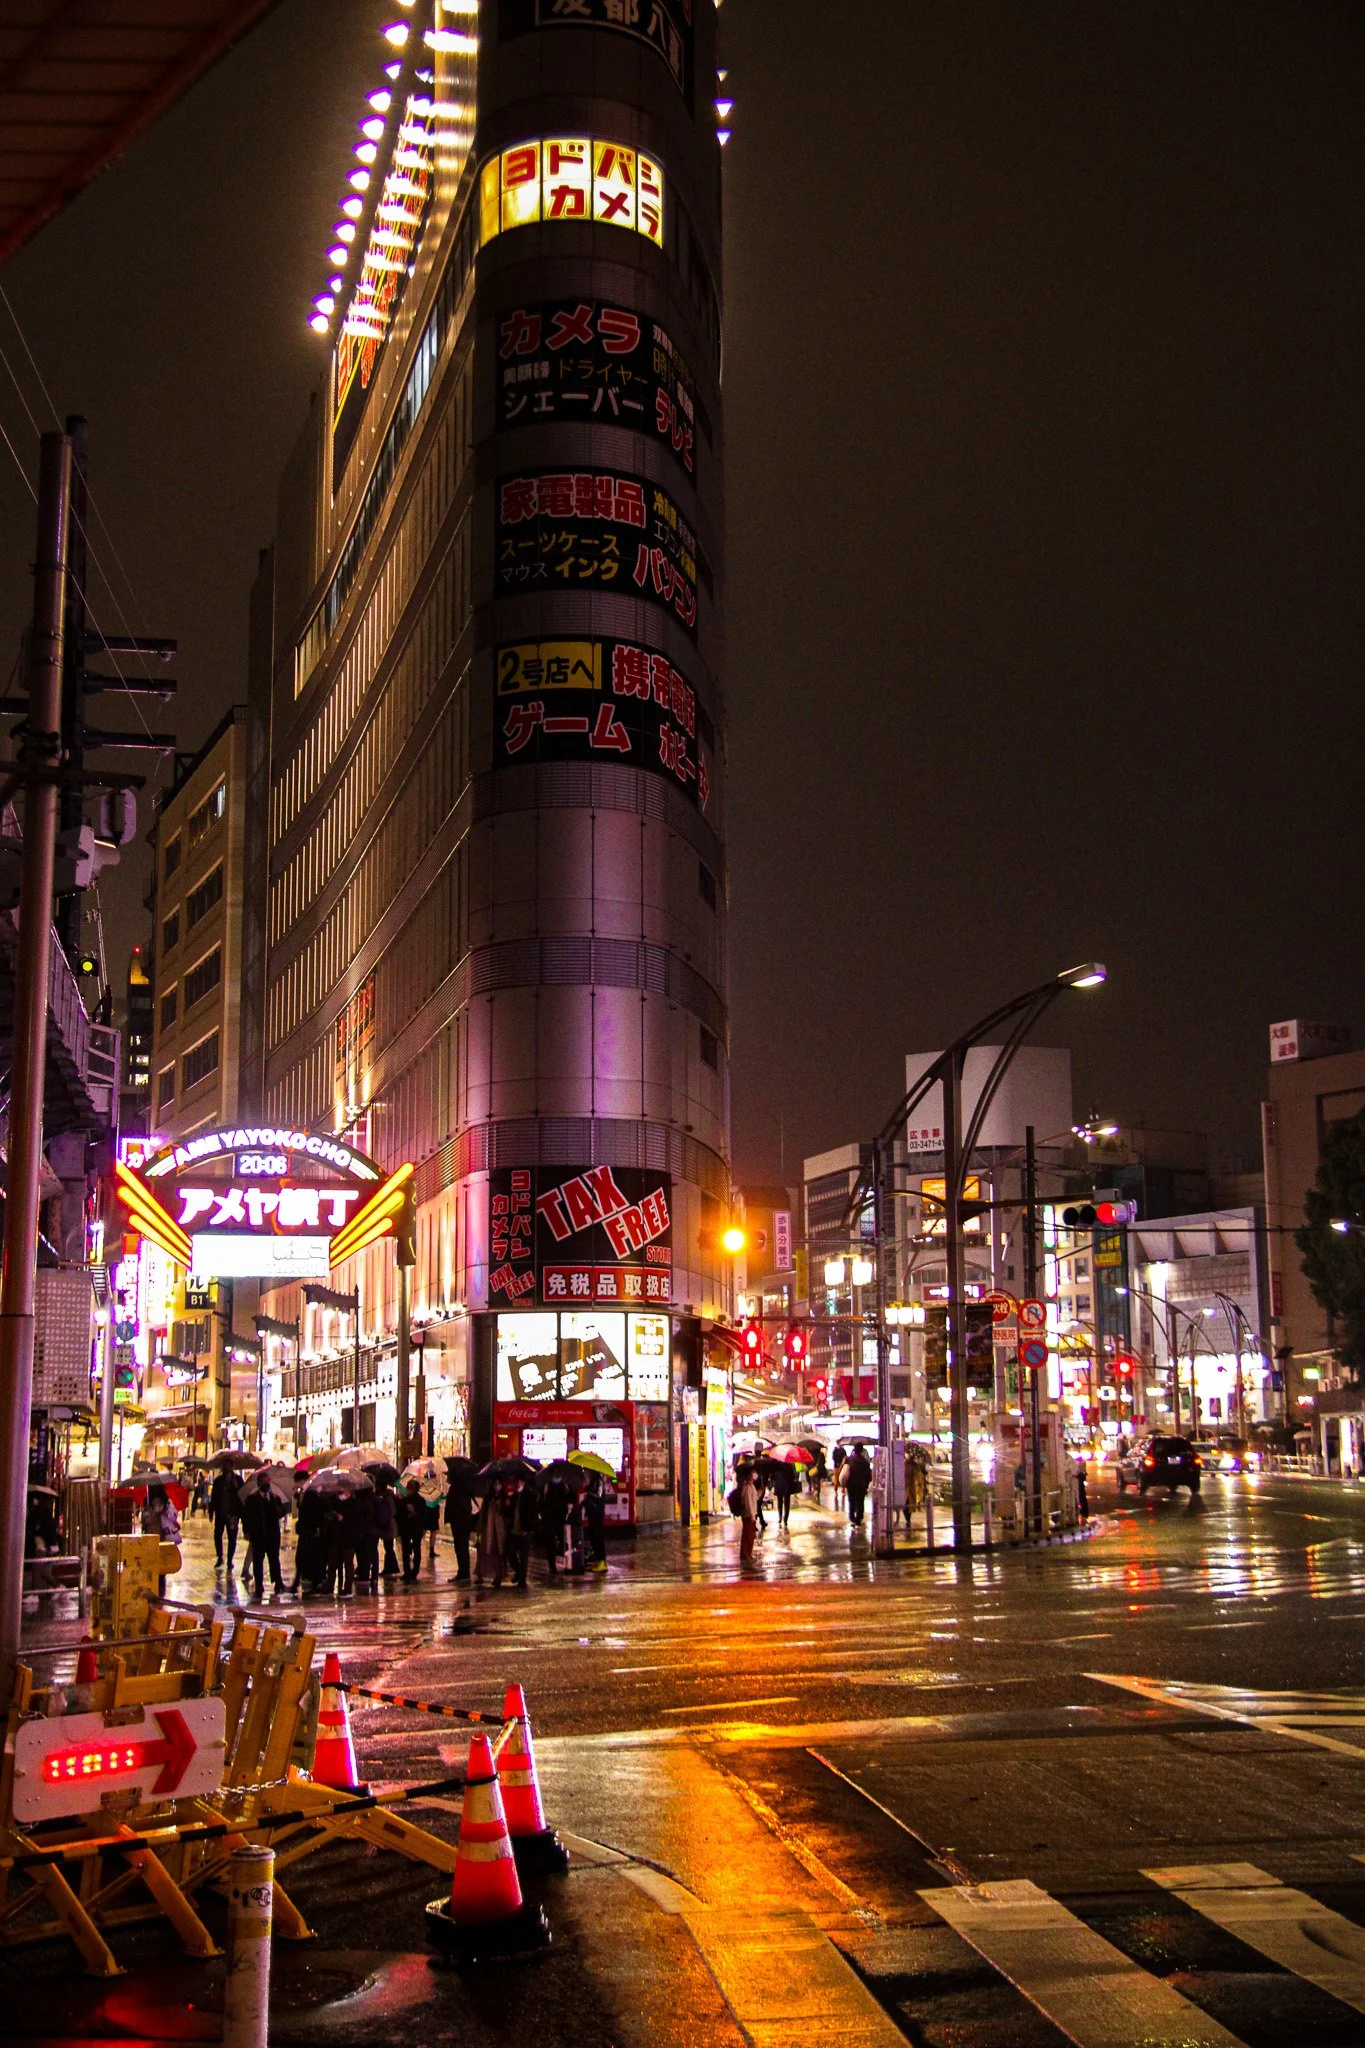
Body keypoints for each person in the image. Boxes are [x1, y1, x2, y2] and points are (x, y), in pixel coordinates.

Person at [239, 1472, 286, 1600]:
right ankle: (259, 1586)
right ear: (259, 1483)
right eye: (264, 1482)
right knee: (258, 1561)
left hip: (272, 1535)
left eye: (268, 1482)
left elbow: (281, 1512)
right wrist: (247, 1531)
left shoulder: (275, 1498)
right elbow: (246, 1517)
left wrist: (278, 1509)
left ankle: (278, 1582)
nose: (266, 1484)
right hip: (258, 1535)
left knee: (274, 1560)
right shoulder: (252, 1499)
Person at [141, 1484, 181, 1596]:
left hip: (152, 1537)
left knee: (152, 1563)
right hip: (162, 1537)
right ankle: (160, 1587)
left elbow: (146, 1520)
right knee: (161, 1563)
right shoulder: (166, 1502)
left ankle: (155, 1586)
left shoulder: (150, 1503)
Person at [292, 1485, 327, 1596]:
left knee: (307, 1559)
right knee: (312, 1560)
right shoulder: (313, 1499)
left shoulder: (308, 1499)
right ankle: (313, 1582)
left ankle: (308, 1582)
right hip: (311, 1536)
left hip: (309, 1536)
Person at [446, 1463, 476, 1584]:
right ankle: (463, 1571)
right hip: (461, 1522)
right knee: (460, 1547)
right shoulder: (460, 1488)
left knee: (461, 1547)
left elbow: (457, 1507)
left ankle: (464, 1572)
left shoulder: (457, 1489)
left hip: (460, 1523)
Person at [505, 1476, 535, 1588]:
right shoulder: (512, 1498)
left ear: (523, 1483)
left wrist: (528, 1530)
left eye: (519, 1482)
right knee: (510, 1552)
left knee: (524, 1556)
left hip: (525, 1531)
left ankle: (522, 1580)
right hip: (514, 1530)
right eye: (516, 1482)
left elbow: (533, 1515)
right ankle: (519, 1572)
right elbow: (507, 1514)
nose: (517, 1484)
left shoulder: (530, 1496)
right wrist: (507, 1506)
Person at [539, 1473, 571, 1578]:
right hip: (548, 1519)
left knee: (563, 1542)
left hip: (561, 1518)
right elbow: (541, 1501)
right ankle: (552, 1566)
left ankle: (567, 1564)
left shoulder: (565, 1486)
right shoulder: (546, 1486)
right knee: (550, 1544)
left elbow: (571, 1498)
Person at [475, 1484, 507, 1587]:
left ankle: (498, 1576)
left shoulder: (504, 1497)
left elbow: (505, 1513)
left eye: (499, 1483)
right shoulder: (488, 1498)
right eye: (495, 1483)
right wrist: (479, 1530)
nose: (497, 1485)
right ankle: (480, 1574)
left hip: (499, 1529)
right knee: (484, 1551)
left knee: (498, 1552)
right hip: (488, 1529)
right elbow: (483, 1514)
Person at [209, 1468, 240, 1573]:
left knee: (232, 1537)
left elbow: (242, 1495)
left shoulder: (238, 1480)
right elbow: (214, 1497)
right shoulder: (218, 1481)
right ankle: (220, 1557)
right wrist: (211, 1511)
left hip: (233, 1514)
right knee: (217, 1534)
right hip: (220, 1512)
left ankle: (230, 1559)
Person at [395, 1479, 426, 1581]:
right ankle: (409, 1572)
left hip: (413, 1528)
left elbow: (422, 1515)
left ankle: (412, 1571)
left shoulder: (417, 1501)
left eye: (409, 1488)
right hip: (409, 1528)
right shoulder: (406, 1500)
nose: (408, 1490)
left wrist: (413, 1511)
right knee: (409, 1551)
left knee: (414, 1550)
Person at [372, 1480, 400, 1579]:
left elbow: (388, 1513)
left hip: (389, 1526)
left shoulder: (386, 1498)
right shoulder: (389, 1497)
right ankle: (392, 1567)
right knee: (388, 1547)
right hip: (390, 1525)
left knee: (388, 1547)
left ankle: (391, 1568)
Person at [583, 1473, 608, 1573]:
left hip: (597, 1512)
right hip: (592, 1512)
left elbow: (598, 1494)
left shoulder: (598, 1481)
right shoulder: (593, 1481)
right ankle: (597, 1561)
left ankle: (601, 1561)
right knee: (593, 1536)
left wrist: (588, 1490)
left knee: (597, 1536)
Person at [736, 1460, 759, 1563]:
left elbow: (755, 1498)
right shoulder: (747, 1487)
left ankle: (747, 1554)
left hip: (751, 1514)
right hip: (749, 1515)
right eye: (753, 1472)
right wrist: (752, 1515)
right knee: (748, 1536)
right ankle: (746, 1555)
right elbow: (749, 1502)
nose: (755, 1474)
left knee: (750, 1536)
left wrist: (761, 1490)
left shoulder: (751, 1486)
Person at [845, 1444, 872, 1527]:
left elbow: (845, 1472)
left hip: (850, 1484)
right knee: (860, 1502)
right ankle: (858, 1518)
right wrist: (866, 1485)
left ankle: (852, 1516)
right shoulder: (865, 1462)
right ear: (861, 1450)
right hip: (861, 1485)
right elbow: (868, 1476)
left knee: (851, 1501)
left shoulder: (849, 1460)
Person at [771, 1460, 798, 1530]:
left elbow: (772, 1477)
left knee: (779, 1503)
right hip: (787, 1486)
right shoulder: (789, 1465)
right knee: (787, 1503)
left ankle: (780, 1517)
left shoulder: (776, 1466)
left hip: (778, 1486)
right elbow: (793, 1477)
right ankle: (785, 1519)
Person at [1075, 1454, 1090, 1522]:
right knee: (1081, 1495)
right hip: (1081, 1476)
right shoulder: (1080, 1460)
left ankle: (1083, 1512)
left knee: (1081, 1495)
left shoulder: (1079, 1460)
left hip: (1080, 1477)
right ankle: (1083, 1512)